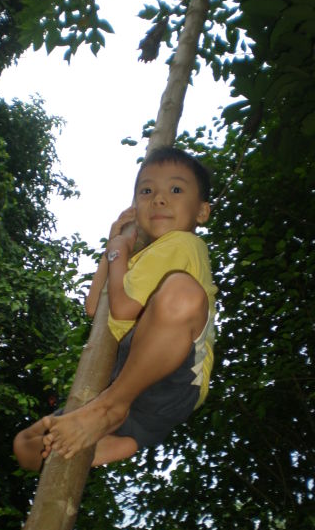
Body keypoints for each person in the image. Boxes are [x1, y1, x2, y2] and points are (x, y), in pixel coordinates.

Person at [13, 146, 217, 470]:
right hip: (141, 392)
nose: (159, 199)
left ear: (202, 212)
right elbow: (96, 307)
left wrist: (119, 251)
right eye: (147, 191)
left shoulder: (183, 244)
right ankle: (114, 440)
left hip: (173, 374)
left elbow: (121, 310)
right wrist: (114, 244)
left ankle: (110, 410)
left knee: (181, 293)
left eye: (175, 189)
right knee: (26, 445)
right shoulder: (141, 260)